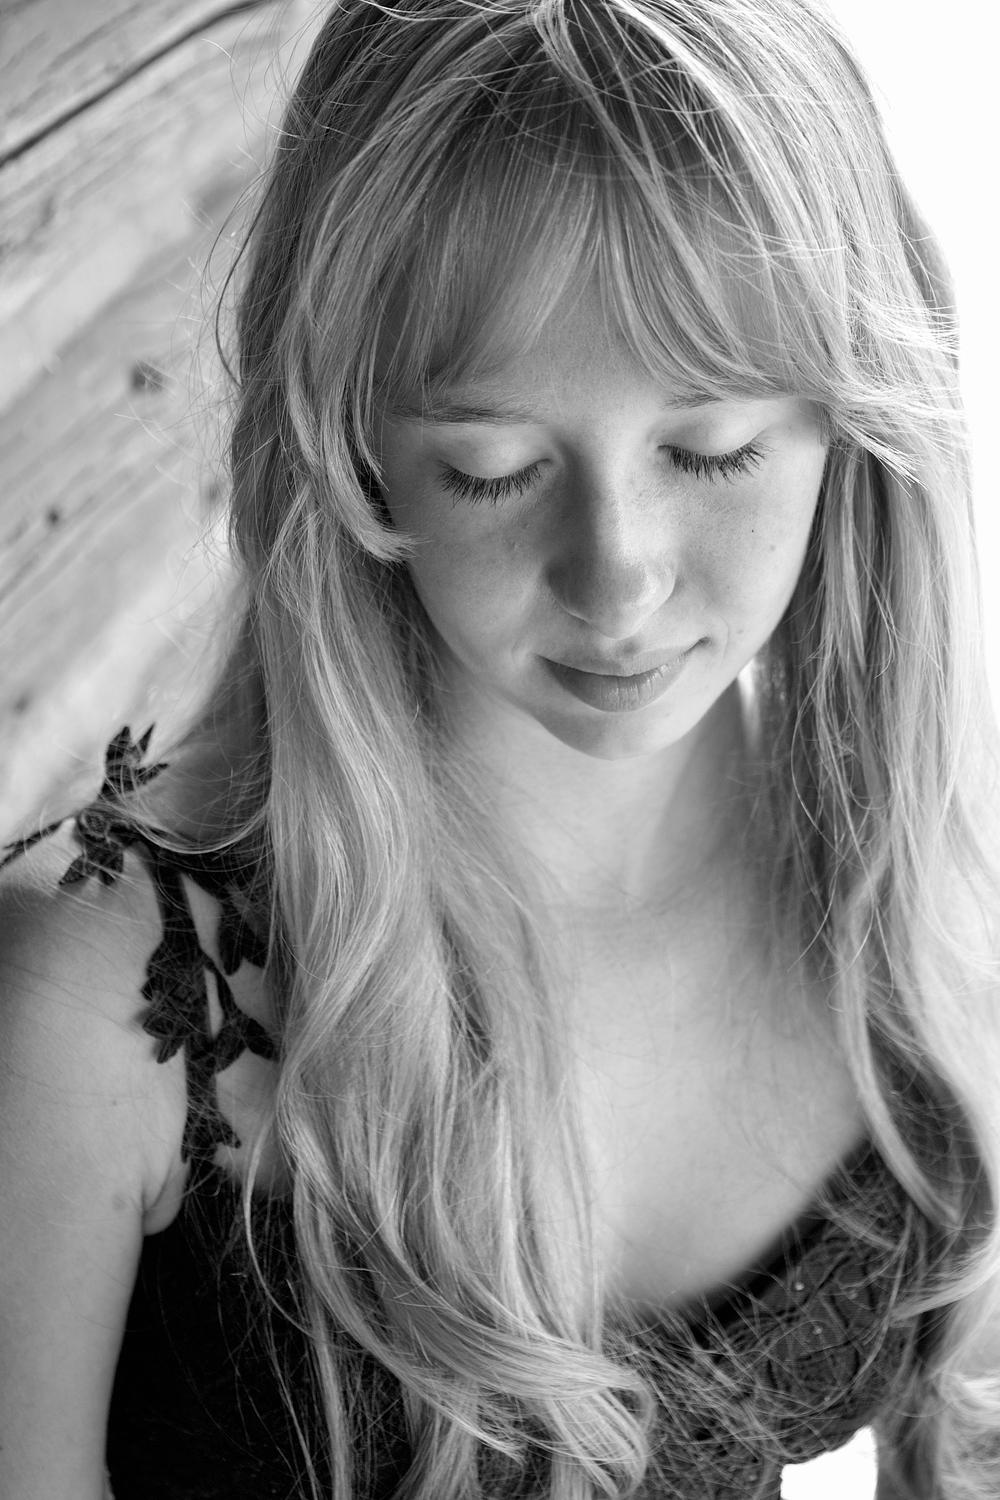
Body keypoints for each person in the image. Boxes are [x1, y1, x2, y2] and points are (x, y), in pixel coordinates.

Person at [1, 0, 999, 1496]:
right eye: (491, 469)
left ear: (853, 428)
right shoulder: (89, 1015)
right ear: (347, 450)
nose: (619, 579)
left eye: (713, 448)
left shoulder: (935, 895)